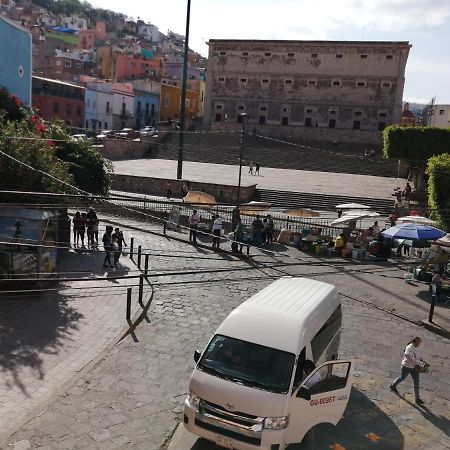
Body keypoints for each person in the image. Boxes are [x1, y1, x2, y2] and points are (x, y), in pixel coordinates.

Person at [390, 337, 426, 404]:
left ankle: (417, 399)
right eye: (418, 343)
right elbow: (412, 359)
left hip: (414, 367)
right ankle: (393, 385)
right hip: (406, 367)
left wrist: (422, 360)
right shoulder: (408, 349)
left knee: (416, 382)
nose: (419, 344)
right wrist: (422, 364)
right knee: (402, 378)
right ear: (414, 342)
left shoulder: (416, 347)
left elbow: (418, 356)